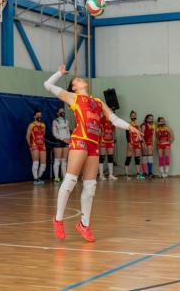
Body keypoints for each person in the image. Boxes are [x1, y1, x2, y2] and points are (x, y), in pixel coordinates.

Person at [44, 64, 142, 242]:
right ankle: (58, 219)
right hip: (80, 140)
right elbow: (48, 85)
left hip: (93, 144)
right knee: (71, 180)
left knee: (90, 187)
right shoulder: (73, 98)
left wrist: (130, 127)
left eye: (81, 79)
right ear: (74, 87)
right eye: (77, 80)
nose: (81, 80)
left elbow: (113, 119)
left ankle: (84, 224)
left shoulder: (98, 102)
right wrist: (60, 72)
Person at [26, 110, 46, 185]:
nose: (39, 116)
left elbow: (43, 135)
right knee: (36, 162)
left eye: (40, 115)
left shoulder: (43, 125)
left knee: (43, 164)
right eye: (37, 115)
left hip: (42, 145)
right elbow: (27, 136)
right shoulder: (31, 125)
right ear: (34, 116)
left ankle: (39, 177)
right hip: (34, 145)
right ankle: (35, 179)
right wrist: (30, 145)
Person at [52, 107, 70, 183]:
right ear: (57, 113)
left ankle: (64, 177)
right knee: (57, 160)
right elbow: (54, 133)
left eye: (63, 111)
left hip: (66, 142)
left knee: (64, 161)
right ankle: (56, 177)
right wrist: (63, 139)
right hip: (58, 141)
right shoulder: (55, 121)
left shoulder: (66, 121)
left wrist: (69, 139)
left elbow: (68, 131)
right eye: (61, 111)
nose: (62, 112)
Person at [125, 110, 144, 181]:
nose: (133, 116)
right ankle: (126, 175)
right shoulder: (128, 124)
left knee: (137, 158)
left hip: (137, 143)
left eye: (134, 115)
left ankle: (138, 174)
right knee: (128, 157)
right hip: (131, 142)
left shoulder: (138, 124)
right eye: (132, 115)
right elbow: (127, 134)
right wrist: (129, 142)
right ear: (130, 116)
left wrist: (141, 141)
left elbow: (139, 134)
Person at [98, 115, 118, 181]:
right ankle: (101, 175)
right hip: (103, 140)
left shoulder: (113, 120)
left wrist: (113, 138)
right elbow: (99, 129)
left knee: (110, 157)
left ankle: (111, 175)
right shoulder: (102, 119)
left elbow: (114, 129)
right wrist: (100, 135)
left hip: (110, 140)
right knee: (102, 157)